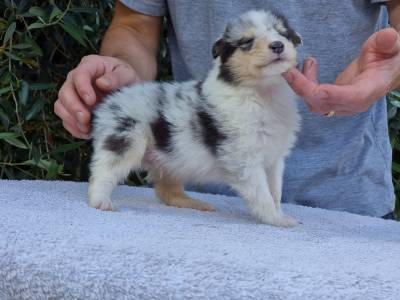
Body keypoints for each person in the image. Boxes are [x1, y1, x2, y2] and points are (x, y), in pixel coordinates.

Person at [54, 1, 400, 218]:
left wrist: (388, 68)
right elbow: (134, 24)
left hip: (348, 203)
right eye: (249, 43)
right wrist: (119, 70)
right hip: (205, 214)